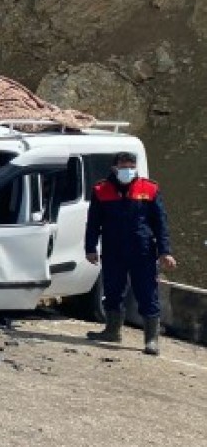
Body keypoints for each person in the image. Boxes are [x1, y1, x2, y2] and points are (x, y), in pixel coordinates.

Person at [84, 152, 175, 355]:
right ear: (114, 168)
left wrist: (165, 251)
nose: (128, 170)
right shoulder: (101, 190)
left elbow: (161, 224)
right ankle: (112, 330)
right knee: (113, 290)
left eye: (132, 166)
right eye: (124, 166)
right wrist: (90, 248)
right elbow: (93, 223)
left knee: (147, 292)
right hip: (113, 249)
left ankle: (151, 340)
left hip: (142, 251)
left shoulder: (149, 189)